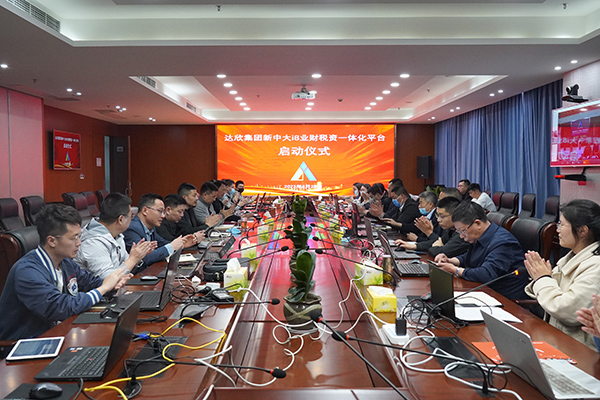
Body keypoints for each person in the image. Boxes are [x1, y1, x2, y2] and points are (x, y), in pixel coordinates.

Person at [0, 204, 131, 341]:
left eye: (79, 236)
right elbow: (60, 307)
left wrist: (112, 286)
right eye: (73, 238)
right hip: (26, 344)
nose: (79, 243)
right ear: (52, 241)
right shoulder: (27, 271)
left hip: (60, 333)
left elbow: (90, 283)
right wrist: (103, 288)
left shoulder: (65, 262)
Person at [525, 199, 600, 350]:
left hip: (578, 350)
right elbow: (541, 291)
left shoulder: (596, 267)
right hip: (556, 338)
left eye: (562, 225)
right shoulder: (570, 257)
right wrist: (542, 279)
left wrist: (542, 278)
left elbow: (567, 310)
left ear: (582, 231)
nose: (557, 230)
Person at [434, 201, 528, 300]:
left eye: (463, 231)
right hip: (484, 292)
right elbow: (471, 257)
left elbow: (486, 274)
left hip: (504, 300)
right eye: (458, 232)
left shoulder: (504, 243)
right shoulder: (481, 236)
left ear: (477, 223)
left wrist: (456, 270)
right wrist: (450, 260)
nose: (461, 236)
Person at [75, 193, 156, 279]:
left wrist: (138, 256)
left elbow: (125, 264)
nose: (132, 220)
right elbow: (107, 278)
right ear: (121, 219)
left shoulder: (116, 234)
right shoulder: (93, 243)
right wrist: (133, 259)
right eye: (131, 216)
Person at [123, 193, 195, 268]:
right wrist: (172, 246)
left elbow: (162, 243)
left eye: (163, 212)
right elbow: (144, 258)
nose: (163, 216)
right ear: (145, 210)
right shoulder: (132, 229)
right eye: (160, 211)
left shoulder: (151, 227)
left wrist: (182, 244)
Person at [395, 197, 470, 258]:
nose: (438, 220)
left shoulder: (463, 234)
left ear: (455, 215)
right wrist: (413, 246)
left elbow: (441, 252)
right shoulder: (449, 229)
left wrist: (435, 246)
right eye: (437, 215)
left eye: (442, 216)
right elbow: (436, 242)